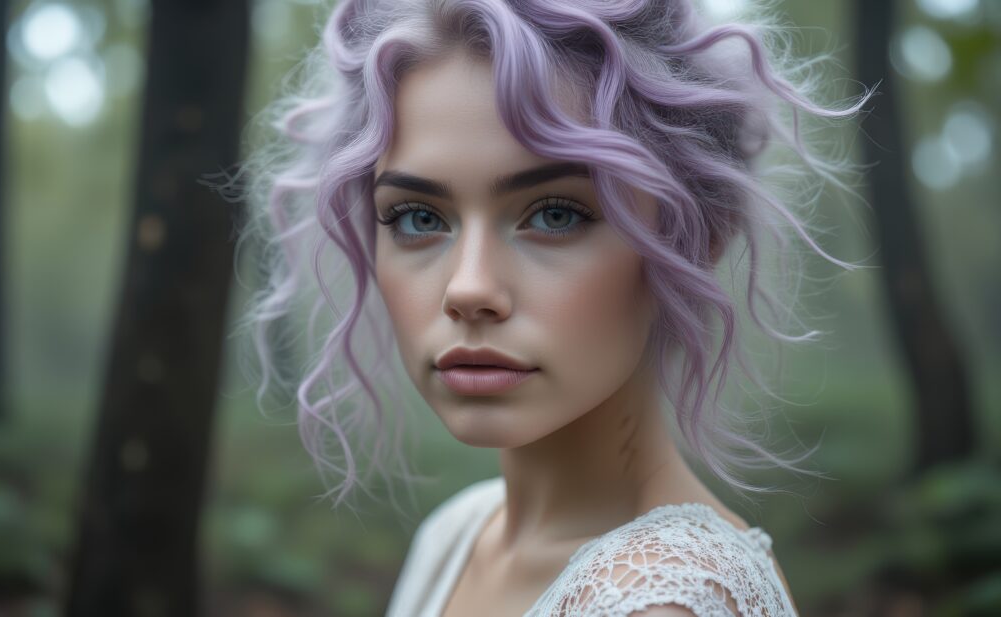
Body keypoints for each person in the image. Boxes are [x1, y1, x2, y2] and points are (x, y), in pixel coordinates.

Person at [237, 0, 871, 615]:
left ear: (699, 236)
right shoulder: (457, 535)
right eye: (418, 217)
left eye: (556, 213)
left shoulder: (665, 603)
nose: (469, 289)